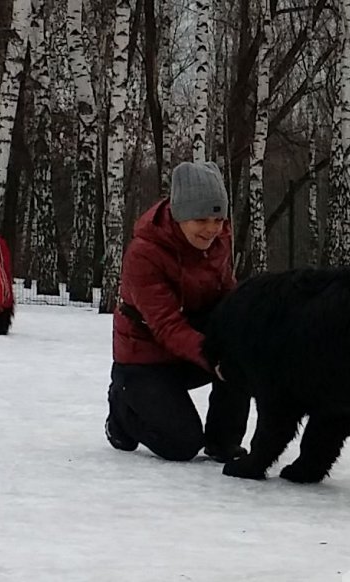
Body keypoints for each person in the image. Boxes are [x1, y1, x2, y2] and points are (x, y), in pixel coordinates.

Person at [105, 161, 250, 463]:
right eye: (201, 219)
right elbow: (167, 325)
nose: (212, 228)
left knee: (242, 348)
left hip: (190, 345)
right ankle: (122, 407)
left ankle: (223, 441)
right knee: (180, 445)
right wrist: (214, 356)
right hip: (145, 357)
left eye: (219, 218)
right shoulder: (145, 253)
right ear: (179, 214)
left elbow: (227, 295)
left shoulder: (219, 239)